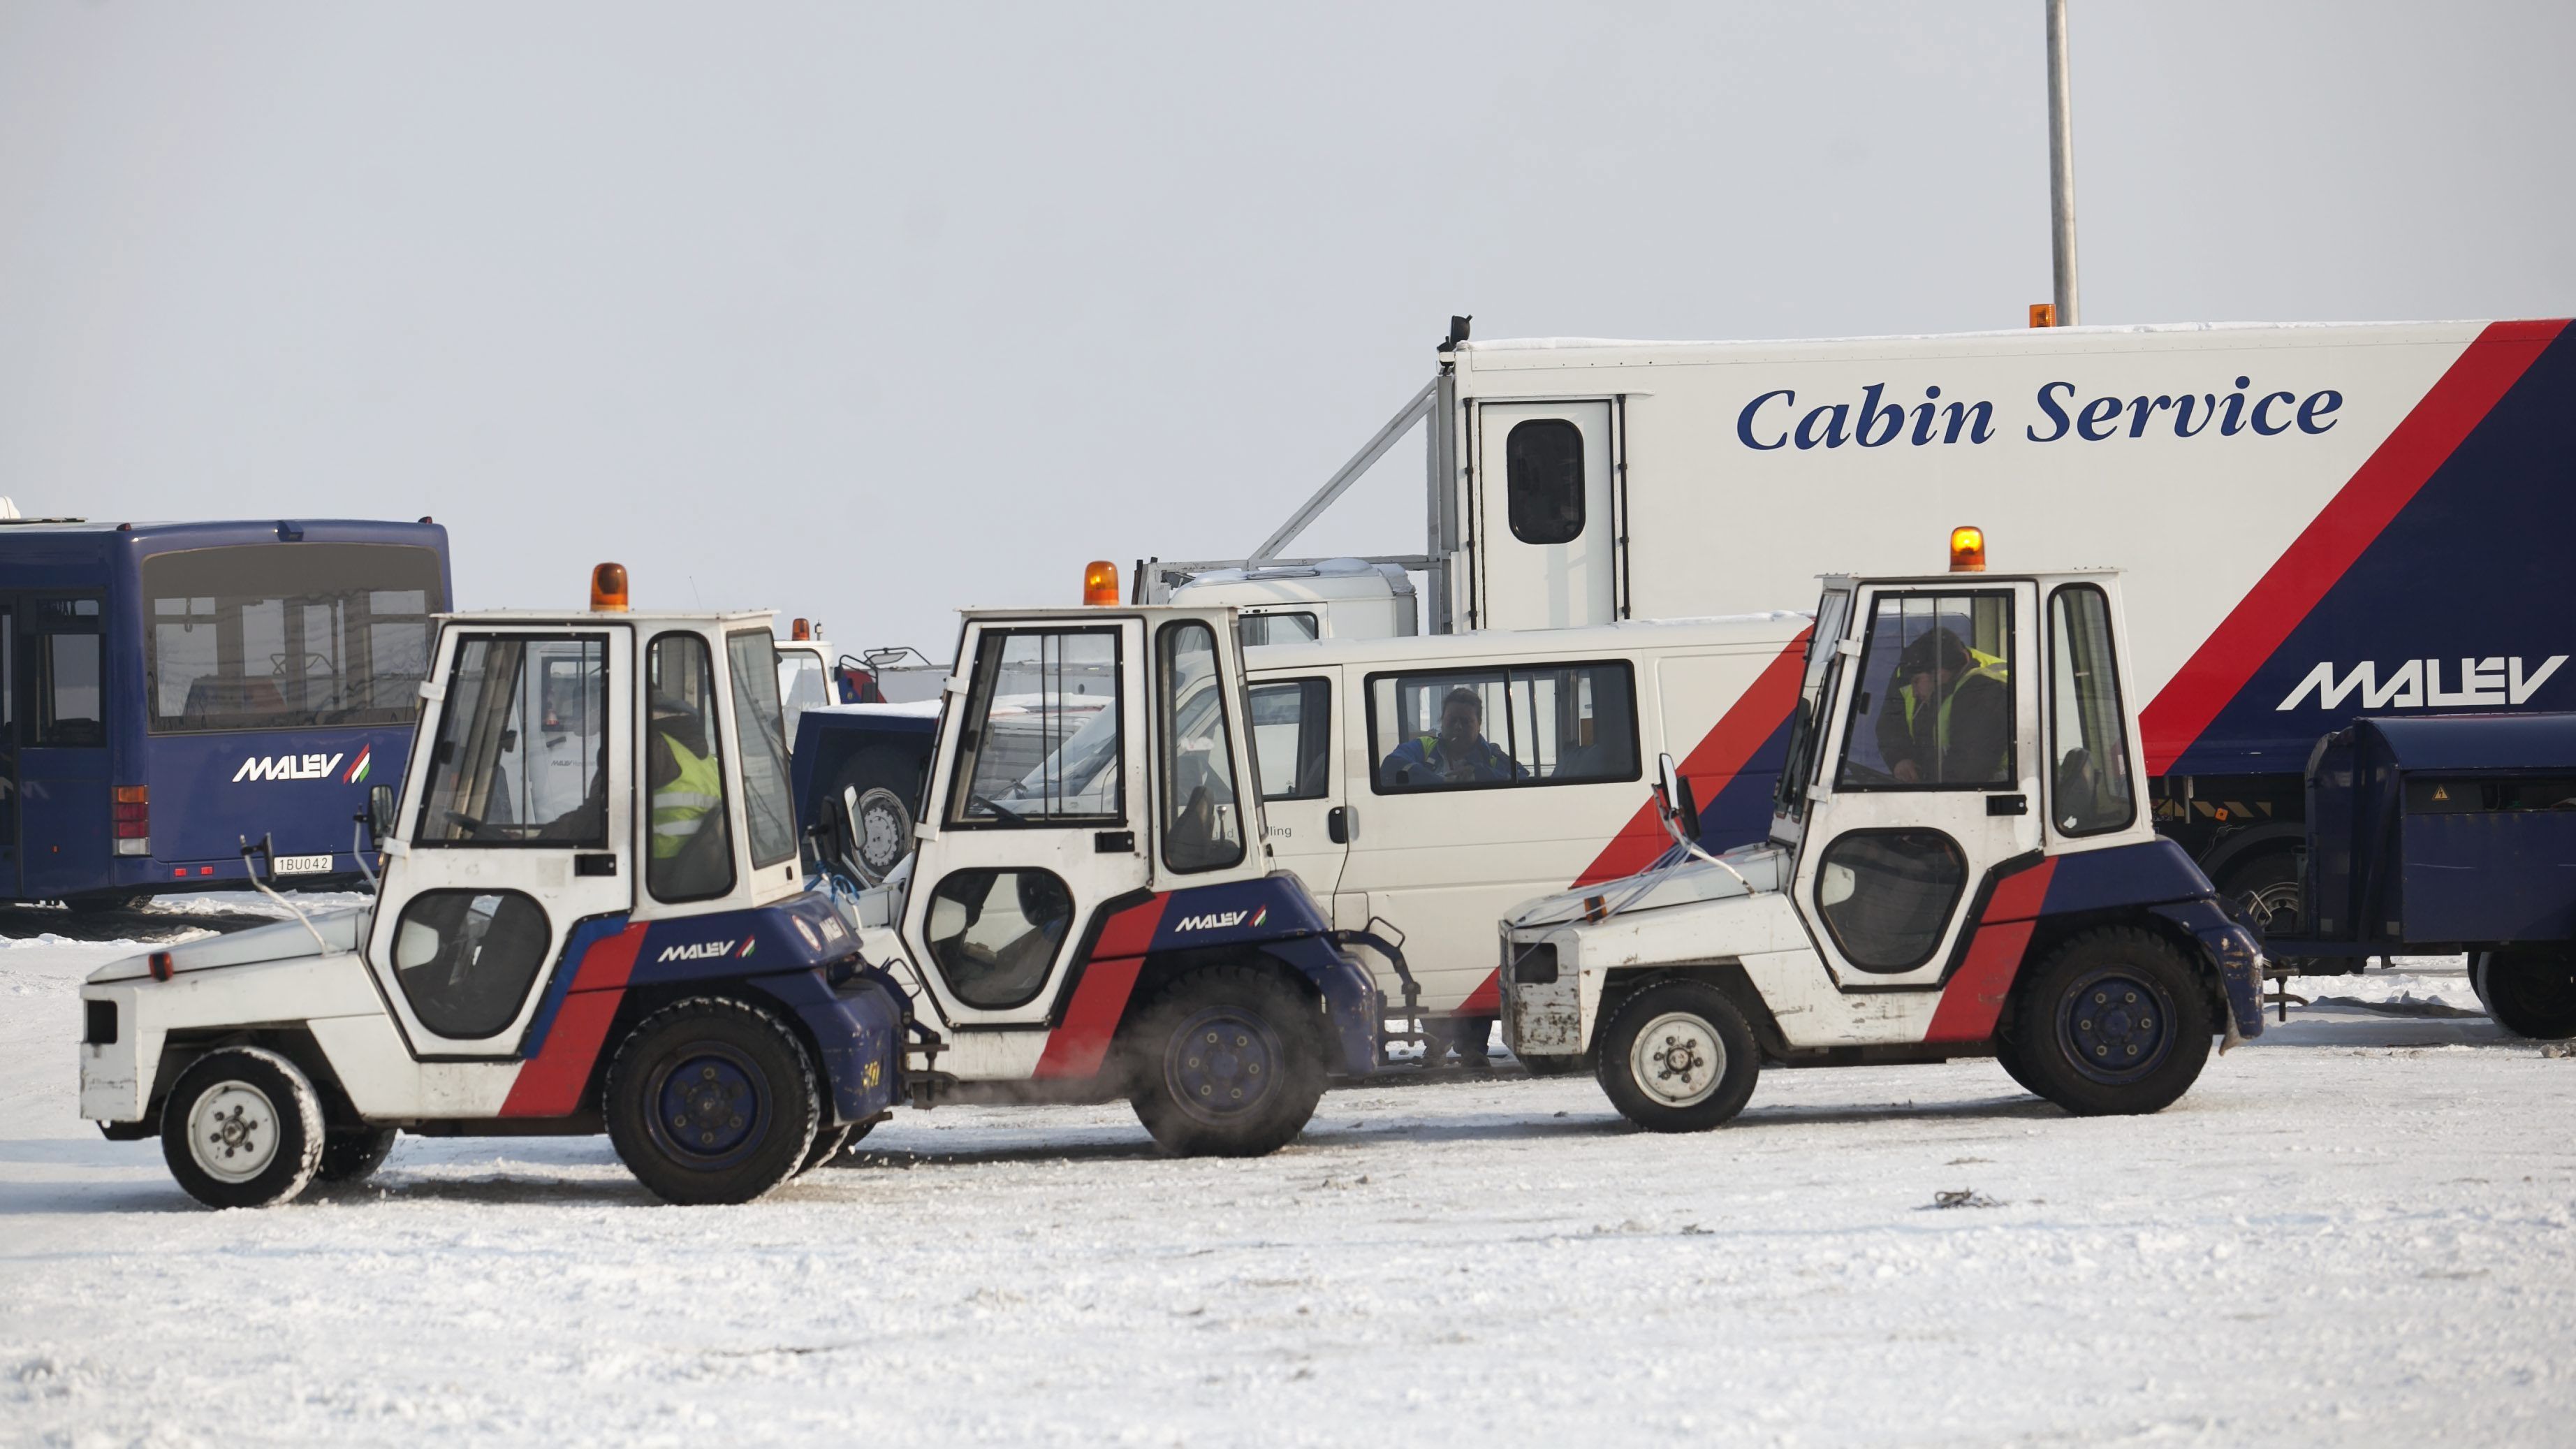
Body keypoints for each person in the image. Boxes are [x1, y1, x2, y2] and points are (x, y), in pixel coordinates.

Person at [1874, 628, 2011, 785]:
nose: (1913, 693)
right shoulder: (1919, 668)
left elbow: (1969, 767)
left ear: (1939, 673)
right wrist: (1899, 758)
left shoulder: (1983, 689)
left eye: (1917, 682)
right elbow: (1891, 723)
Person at [647, 692, 729, 891]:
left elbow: (600, 815)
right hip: (699, 866)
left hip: (659, 871)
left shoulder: (652, 747)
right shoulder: (706, 759)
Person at [1379, 686, 1524, 787]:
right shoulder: (1424, 747)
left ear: (1479, 724)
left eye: (1465, 721)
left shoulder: (1492, 757)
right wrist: (1439, 782)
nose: (1458, 727)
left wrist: (1481, 776)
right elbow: (1391, 764)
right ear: (1442, 721)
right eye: (1452, 720)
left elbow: (1523, 778)